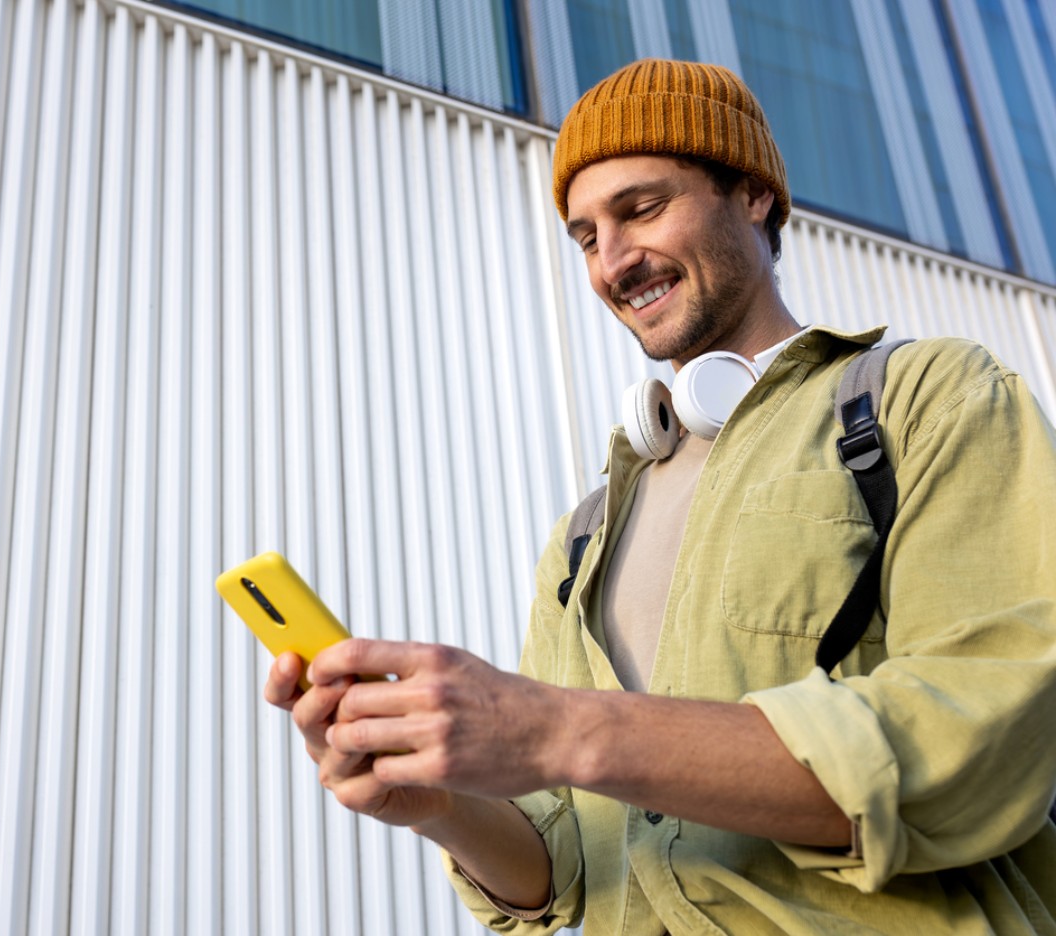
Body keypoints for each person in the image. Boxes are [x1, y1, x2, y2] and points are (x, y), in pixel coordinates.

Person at [264, 58, 1056, 934]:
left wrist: (562, 729)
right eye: (585, 237)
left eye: (641, 209)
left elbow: (983, 736)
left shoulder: (927, 398)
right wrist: (438, 805)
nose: (613, 262)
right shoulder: (585, 536)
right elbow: (565, 869)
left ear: (753, 194)